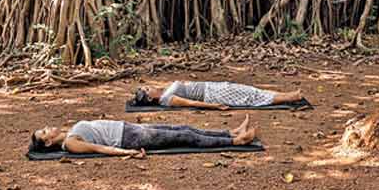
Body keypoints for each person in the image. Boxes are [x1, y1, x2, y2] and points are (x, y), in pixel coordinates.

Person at [30, 116, 258, 157]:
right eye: (44, 132)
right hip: (130, 138)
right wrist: (126, 152)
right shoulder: (70, 143)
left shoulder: (69, 132)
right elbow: (101, 149)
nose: (47, 127)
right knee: (186, 136)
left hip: (128, 128)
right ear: (48, 141)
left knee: (183, 127)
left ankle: (230, 132)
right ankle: (236, 141)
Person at [130, 81, 304, 109]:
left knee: (251, 90)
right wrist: (214, 106)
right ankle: (290, 98)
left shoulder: (163, 92)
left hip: (213, 87)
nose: (149, 87)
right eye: (147, 90)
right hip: (212, 95)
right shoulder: (167, 99)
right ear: (150, 98)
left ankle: (287, 95)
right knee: (250, 96)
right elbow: (190, 103)